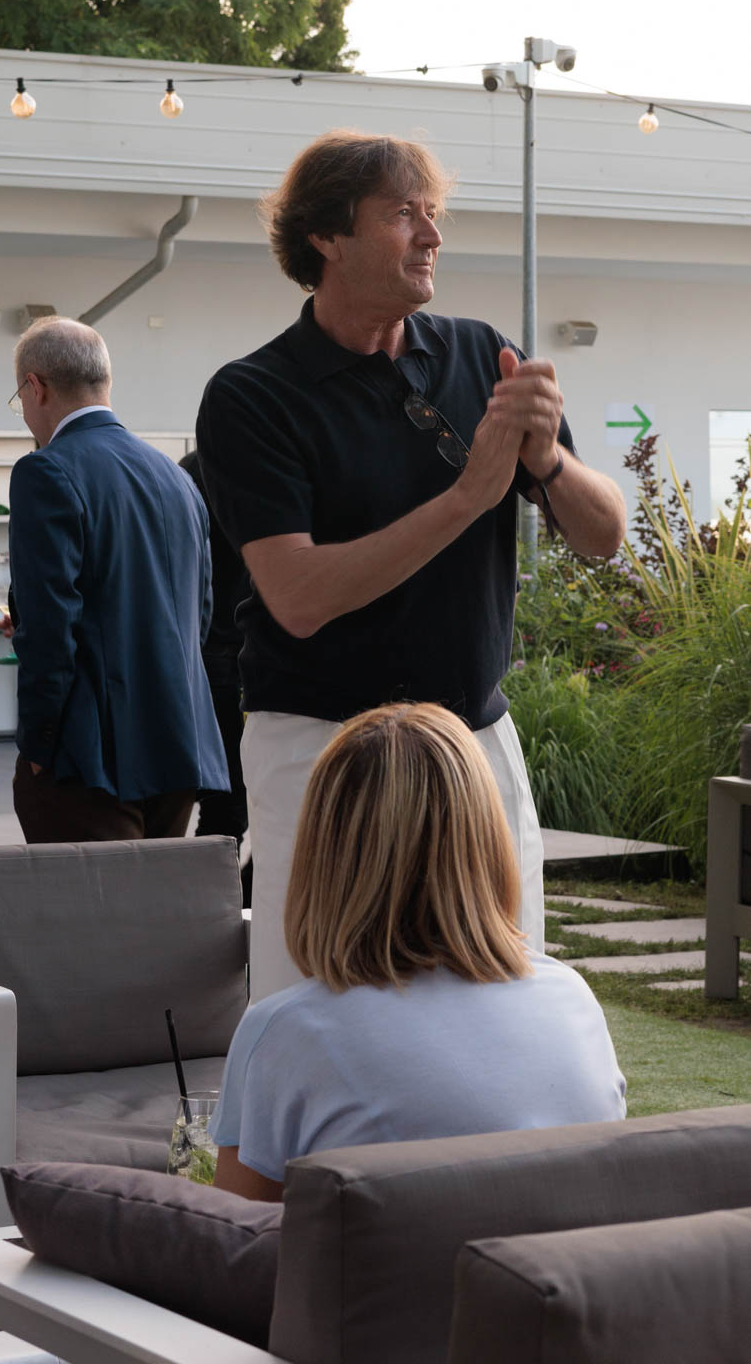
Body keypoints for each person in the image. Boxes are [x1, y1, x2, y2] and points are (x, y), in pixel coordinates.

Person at [196, 131, 625, 997]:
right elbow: (297, 597)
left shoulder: (479, 353)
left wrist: (547, 460)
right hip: (320, 747)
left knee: (502, 984)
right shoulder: (252, 396)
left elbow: (603, 535)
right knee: (314, 991)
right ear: (326, 236)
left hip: (473, 739)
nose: (430, 235)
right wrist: (467, 498)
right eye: (402, 214)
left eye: (432, 214)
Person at [211, 702, 626, 1201]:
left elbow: (233, 1232)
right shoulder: (573, 1000)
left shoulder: (286, 1032)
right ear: (488, 840)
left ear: (323, 853)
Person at [8, 316, 228, 841]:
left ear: (35, 387)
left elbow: (49, 629)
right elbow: (198, 616)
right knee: (154, 895)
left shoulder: (46, 471)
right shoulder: (177, 477)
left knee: (86, 898)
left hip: (88, 757)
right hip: (178, 746)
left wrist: (39, 744)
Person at [178, 450, 251, 900]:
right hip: (231, 659)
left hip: (201, 657)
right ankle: (209, 910)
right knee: (230, 809)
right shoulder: (245, 467)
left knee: (225, 807)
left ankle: (210, 908)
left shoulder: (187, 472)